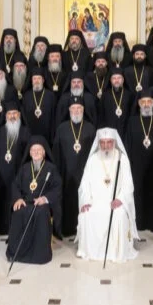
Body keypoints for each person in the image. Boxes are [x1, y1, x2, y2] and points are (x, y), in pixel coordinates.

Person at [76, 128, 139, 262]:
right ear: (98, 143)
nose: (105, 146)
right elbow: (84, 184)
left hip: (116, 202)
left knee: (119, 214)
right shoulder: (92, 159)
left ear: (114, 142)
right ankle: (90, 252)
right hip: (95, 202)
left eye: (109, 142)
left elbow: (128, 185)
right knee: (86, 214)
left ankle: (116, 252)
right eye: (102, 143)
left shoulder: (122, 159)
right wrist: (86, 201)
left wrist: (120, 199)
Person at [6, 137, 63, 265]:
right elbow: (15, 185)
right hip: (25, 201)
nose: (36, 152)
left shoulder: (51, 168)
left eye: (39, 150)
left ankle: (39, 255)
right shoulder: (24, 168)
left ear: (44, 152)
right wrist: (18, 198)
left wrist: (45, 199)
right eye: (33, 150)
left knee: (40, 213)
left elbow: (57, 187)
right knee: (18, 212)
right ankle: (17, 253)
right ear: (30, 153)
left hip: (42, 204)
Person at [125, 92, 153, 232]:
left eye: (149, 101)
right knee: (138, 193)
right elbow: (127, 145)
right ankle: (137, 223)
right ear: (138, 104)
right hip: (136, 167)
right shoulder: (132, 121)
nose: (146, 105)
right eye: (143, 102)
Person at [52, 98, 96, 237]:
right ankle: (68, 229)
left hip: (85, 174)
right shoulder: (62, 128)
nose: (76, 111)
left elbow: (94, 153)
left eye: (79, 108)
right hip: (66, 174)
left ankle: (85, 231)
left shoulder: (90, 128)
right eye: (74, 108)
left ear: (83, 110)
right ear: (69, 110)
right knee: (67, 202)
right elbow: (56, 153)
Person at [0, 102, 29, 236]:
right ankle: (1, 227)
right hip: (1, 175)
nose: (12, 116)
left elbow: (28, 155)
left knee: (16, 197)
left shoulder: (25, 132)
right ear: (5, 116)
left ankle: (16, 228)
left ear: (19, 115)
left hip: (18, 174)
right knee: (2, 199)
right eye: (9, 114)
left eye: (15, 114)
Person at [23, 68, 57, 139]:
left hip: (47, 134)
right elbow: (24, 117)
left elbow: (54, 116)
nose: (36, 81)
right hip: (30, 134)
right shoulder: (26, 96)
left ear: (43, 80)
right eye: (34, 79)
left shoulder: (50, 95)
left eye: (39, 78)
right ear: (31, 81)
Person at [98, 67, 131, 134]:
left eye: (119, 78)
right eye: (114, 78)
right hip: (109, 131)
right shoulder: (105, 95)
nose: (116, 80)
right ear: (110, 80)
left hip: (126, 131)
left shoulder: (129, 95)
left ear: (123, 80)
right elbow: (101, 115)